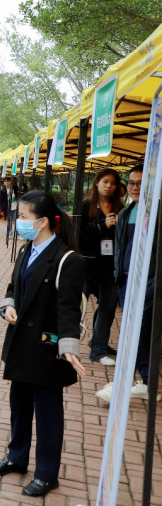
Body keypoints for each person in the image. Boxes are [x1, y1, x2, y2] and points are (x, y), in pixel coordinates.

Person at [0, 191, 86, 498]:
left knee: (47, 415)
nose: (18, 221)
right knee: (19, 407)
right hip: (21, 344)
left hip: (45, 349)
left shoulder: (67, 259)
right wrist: (7, 307)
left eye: (23, 217)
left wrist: (69, 346)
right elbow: (13, 287)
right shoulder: (26, 250)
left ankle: (46, 474)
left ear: (42, 222)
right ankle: (16, 457)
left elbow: (68, 308)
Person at [96, 165, 160, 403]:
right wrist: (118, 277)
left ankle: (122, 382)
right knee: (140, 332)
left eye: (140, 183)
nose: (135, 187)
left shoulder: (157, 213)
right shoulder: (124, 214)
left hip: (149, 283)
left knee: (134, 331)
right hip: (126, 281)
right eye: (131, 183)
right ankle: (146, 382)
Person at [77, 168, 122, 366]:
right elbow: (79, 237)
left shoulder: (120, 208)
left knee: (107, 308)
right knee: (77, 306)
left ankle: (98, 347)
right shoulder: (85, 206)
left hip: (110, 267)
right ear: (97, 182)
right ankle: (65, 346)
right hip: (87, 266)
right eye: (105, 181)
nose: (108, 186)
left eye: (113, 182)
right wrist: (103, 226)